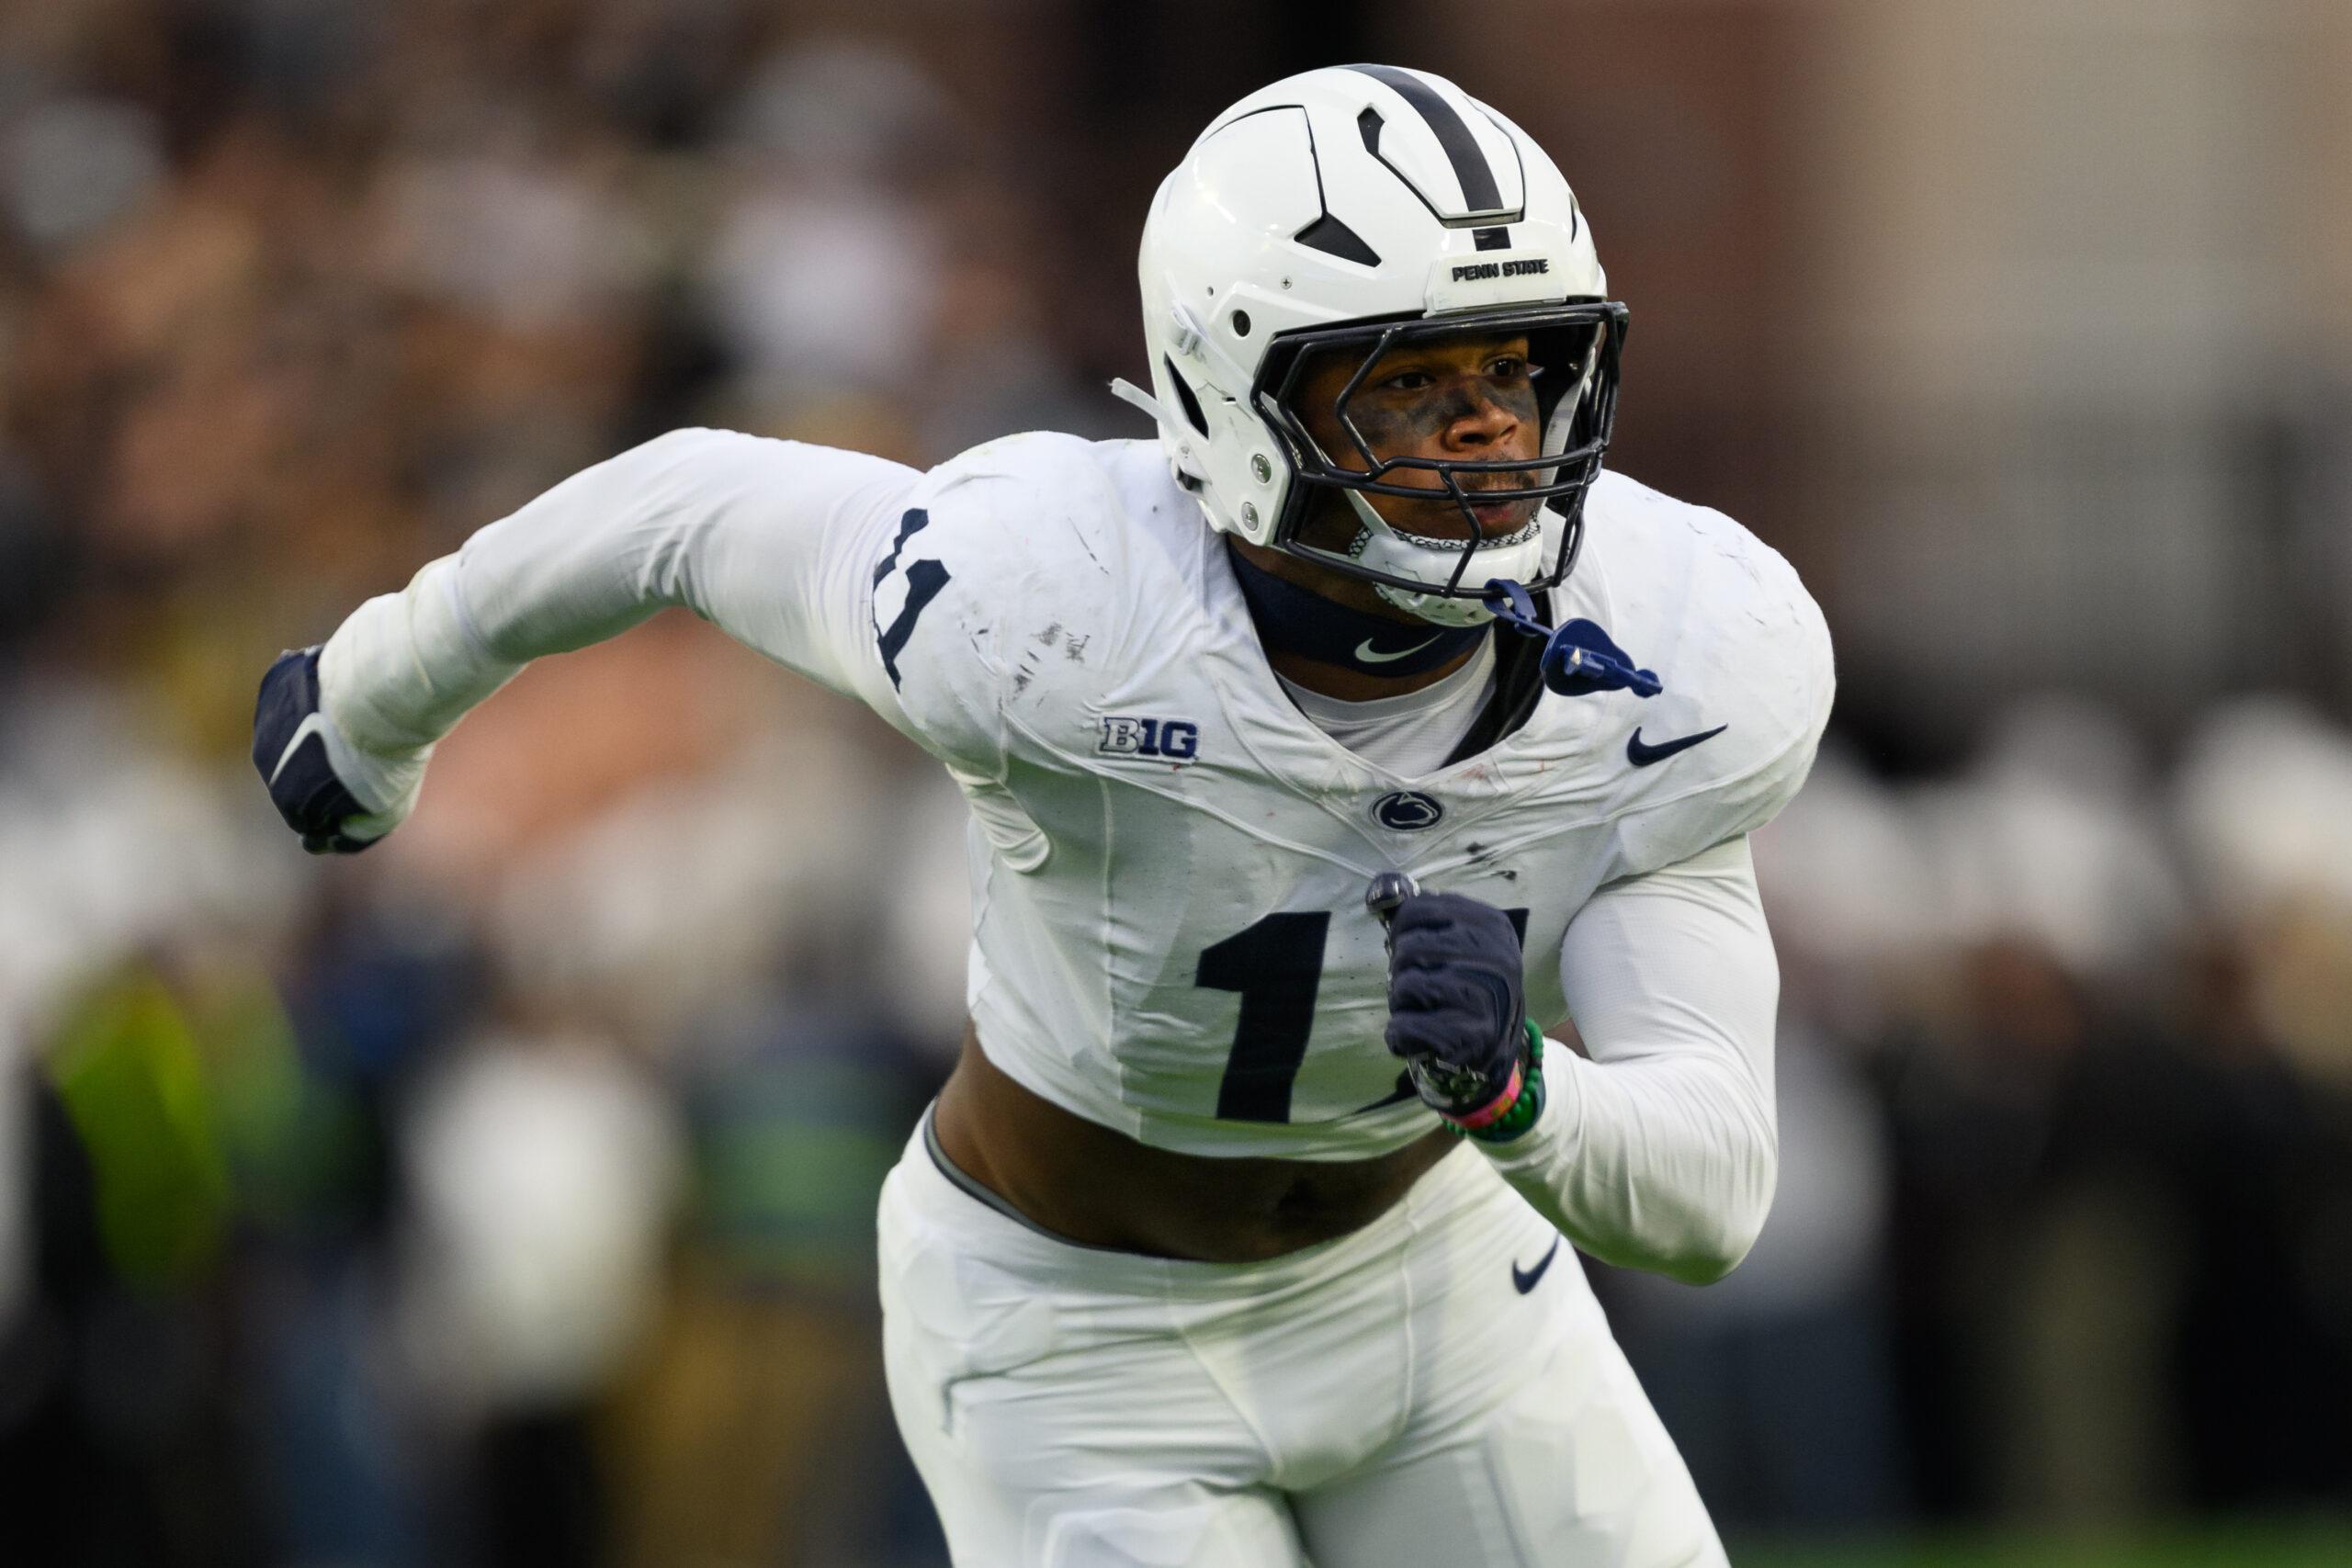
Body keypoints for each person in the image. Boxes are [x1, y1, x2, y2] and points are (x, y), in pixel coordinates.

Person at [254, 64, 1832, 1567]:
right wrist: (377, 689)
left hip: (1439, 1281)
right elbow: (686, 505)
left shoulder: (1680, 651)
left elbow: (1707, 1197)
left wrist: (1520, 1094)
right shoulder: (1046, 603)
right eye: (1410, 381)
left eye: (1513, 368)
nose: (1489, 430)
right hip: (1078, 1334)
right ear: (1237, 398)